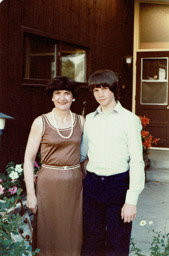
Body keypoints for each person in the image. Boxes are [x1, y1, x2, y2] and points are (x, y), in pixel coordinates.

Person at [80, 70, 145, 256]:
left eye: (104, 89)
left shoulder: (129, 120)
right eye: (95, 90)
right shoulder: (90, 120)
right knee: (92, 242)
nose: (100, 94)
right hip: (92, 186)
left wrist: (131, 200)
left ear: (114, 90)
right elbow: (82, 154)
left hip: (118, 186)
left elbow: (137, 161)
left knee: (118, 243)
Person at [24, 76, 84, 256]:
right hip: (48, 184)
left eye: (67, 93)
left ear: (73, 97)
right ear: (51, 96)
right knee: (48, 233)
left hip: (75, 185)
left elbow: (87, 156)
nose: (62, 98)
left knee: (73, 234)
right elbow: (28, 159)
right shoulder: (41, 122)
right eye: (57, 93)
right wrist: (30, 194)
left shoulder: (81, 121)